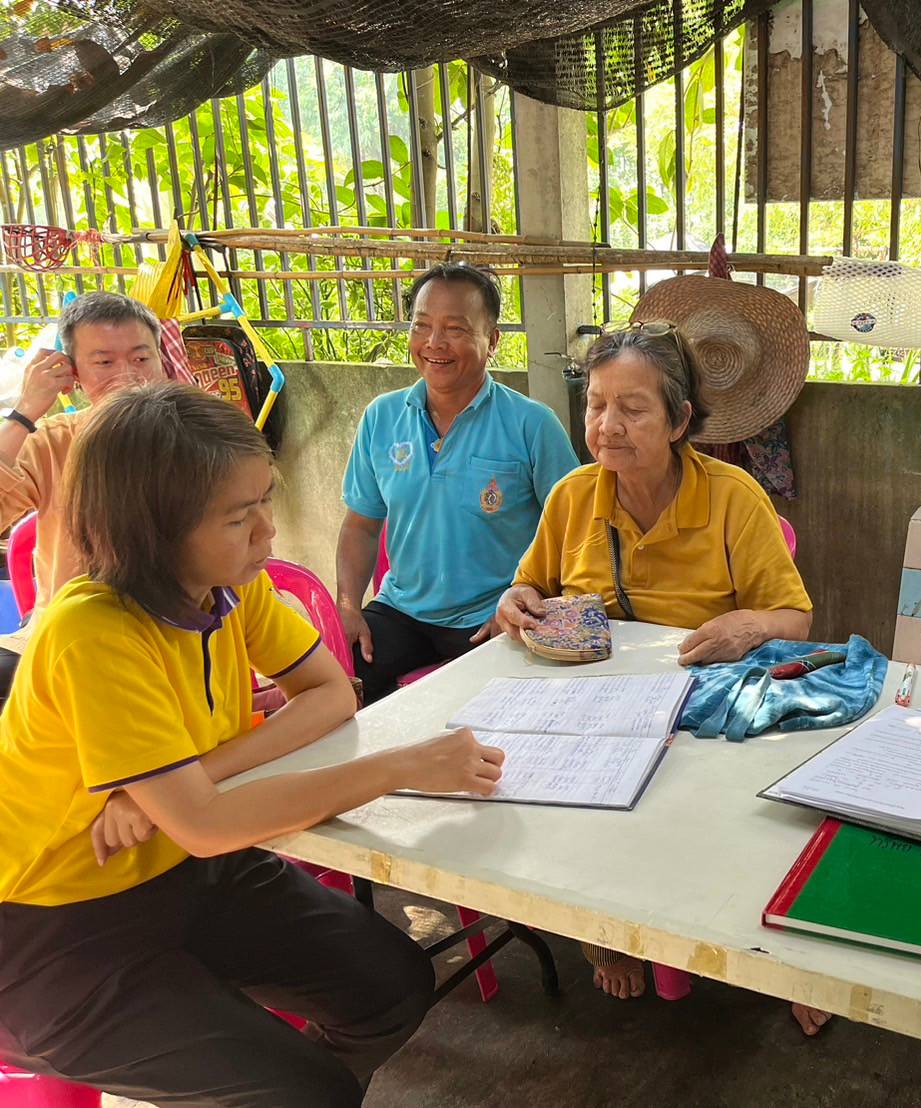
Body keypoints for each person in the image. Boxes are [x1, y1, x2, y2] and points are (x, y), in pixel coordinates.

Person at [0, 383, 505, 1107]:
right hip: (48, 928)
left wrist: (182, 781)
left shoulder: (228, 587)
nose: (268, 533)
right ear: (156, 531)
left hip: (175, 868)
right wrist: (404, 766)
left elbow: (332, 694)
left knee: (391, 990)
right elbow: (206, 824)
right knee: (301, 1090)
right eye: (240, 517)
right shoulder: (94, 631)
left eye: (265, 500)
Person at [495, 321, 819, 1026]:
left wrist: (750, 624)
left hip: (705, 702)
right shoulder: (574, 497)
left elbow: (794, 617)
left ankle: (789, 966)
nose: (607, 426)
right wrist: (513, 601)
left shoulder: (732, 496)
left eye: (632, 408)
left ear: (677, 420)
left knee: (748, 816)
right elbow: (529, 589)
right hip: (600, 708)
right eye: (596, 405)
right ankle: (606, 935)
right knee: (558, 800)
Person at [336, 262, 579, 703]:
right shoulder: (382, 417)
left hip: (492, 615)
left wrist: (525, 598)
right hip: (401, 610)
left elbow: (575, 531)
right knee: (336, 689)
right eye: (422, 325)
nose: (434, 343)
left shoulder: (531, 424)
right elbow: (361, 525)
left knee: (504, 717)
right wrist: (349, 607)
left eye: (455, 329)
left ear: (492, 341)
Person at [0, 291, 169, 699]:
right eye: (105, 362)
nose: (128, 375)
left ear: (162, 361)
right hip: (68, 645)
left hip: (171, 637)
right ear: (73, 373)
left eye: (141, 358)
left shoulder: (199, 437)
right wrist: (25, 412)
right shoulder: (53, 443)